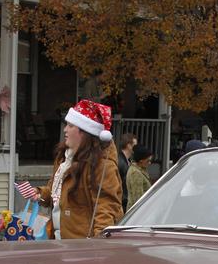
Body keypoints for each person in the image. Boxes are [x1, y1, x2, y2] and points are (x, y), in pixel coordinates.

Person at [38, 100, 123, 239]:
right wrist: (41, 194)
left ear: (85, 132)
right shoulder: (64, 158)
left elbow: (106, 208)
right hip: (60, 242)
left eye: (70, 125)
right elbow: (58, 194)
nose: (65, 129)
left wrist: (99, 246)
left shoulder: (102, 165)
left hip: (83, 249)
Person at [125, 145, 153, 211]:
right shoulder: (135, 173)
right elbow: (138, 198)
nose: (149, 163)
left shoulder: (140, 169)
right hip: (138, 212)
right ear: (141, 161)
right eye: (147, 161)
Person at [117, 132, 137, 210]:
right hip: (122, 202)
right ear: (129, 145)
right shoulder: (120, 162)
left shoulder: (127, 160)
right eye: (135, 145)